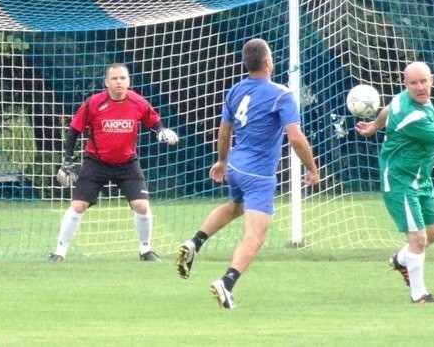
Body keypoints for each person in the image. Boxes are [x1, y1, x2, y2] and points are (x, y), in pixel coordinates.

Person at [175, 38, 319, 309]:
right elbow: (296, 138)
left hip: (236, 167)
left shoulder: (236, 90)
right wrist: (312, 169)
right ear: (268, 62)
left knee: (234, 207)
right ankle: (226, 283)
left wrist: (221, 161)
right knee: (256, 235)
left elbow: (224, 129)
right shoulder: (282, 94)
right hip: (259, 176)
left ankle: (194, 242)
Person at [355, 61, 434, 304]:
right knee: (419, 239)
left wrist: (374, 126)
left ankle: (401, 260)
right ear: (406, 84)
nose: (420, 87)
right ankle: (420, 295)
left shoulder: (406, 99)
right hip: (399, 180)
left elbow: (388, 108)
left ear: (431, 80)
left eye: (423, 81)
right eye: (414, 83)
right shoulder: (412, 115)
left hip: (420, 179)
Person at [49, 63, 179, 263]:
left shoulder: (138, 102)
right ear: (106, 82)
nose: (119, 82)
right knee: (78, 205)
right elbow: (74, 130)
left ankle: (146, 250)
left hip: (127, 163)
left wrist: (161, 130)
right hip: (96, 162)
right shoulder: (93, 103)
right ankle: (59, 252)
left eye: (122, 78)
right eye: (114, 78)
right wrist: (67, 161)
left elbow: (153, 120)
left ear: (129, 81)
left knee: (142, 206)